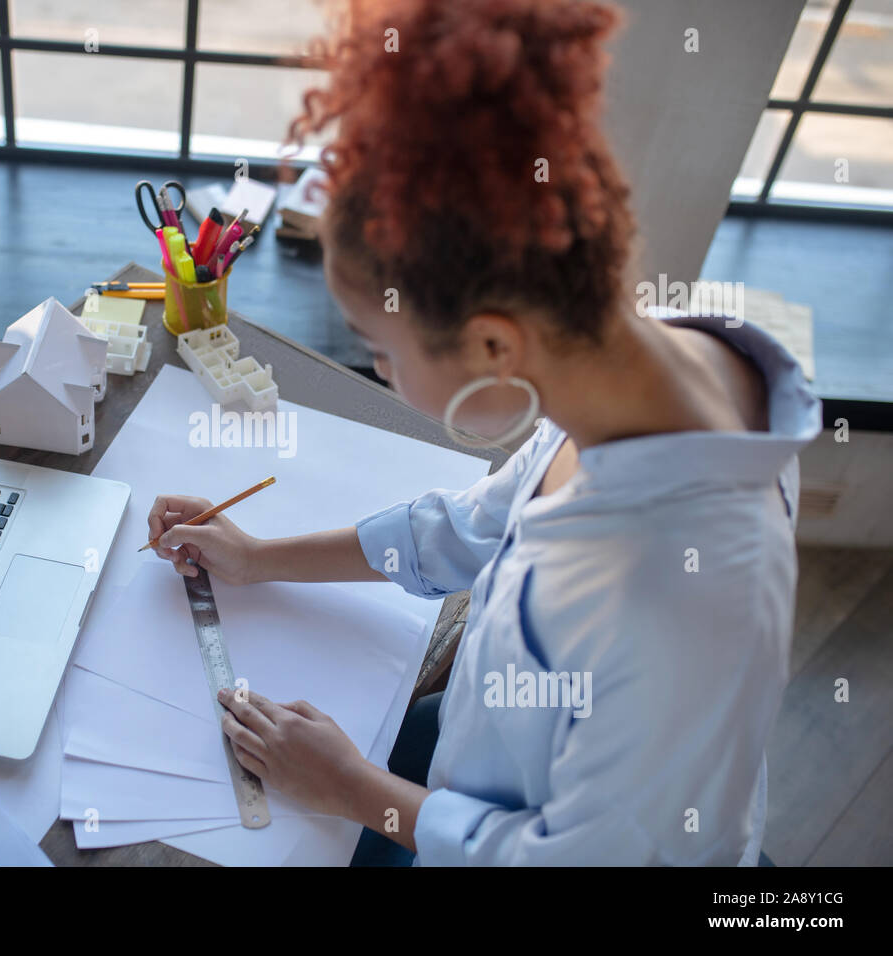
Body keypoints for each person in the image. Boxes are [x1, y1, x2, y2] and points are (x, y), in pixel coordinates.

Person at [147, 0, 819, 865]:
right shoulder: (640, 358)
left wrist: (353, 791)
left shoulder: (681, 603)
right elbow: (467, 528)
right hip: (487, 748)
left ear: (495, 343)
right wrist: (258, 556)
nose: (382, 373)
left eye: (380, 351)